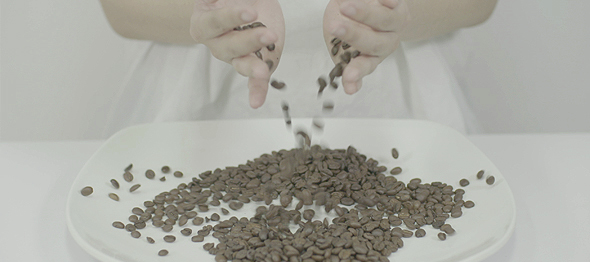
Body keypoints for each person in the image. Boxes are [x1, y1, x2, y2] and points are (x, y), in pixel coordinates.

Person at [99, 0, 497, 136]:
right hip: (188, 116)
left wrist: (393, 12)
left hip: (403, 110)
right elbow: (120, 10)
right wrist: (215, 12)